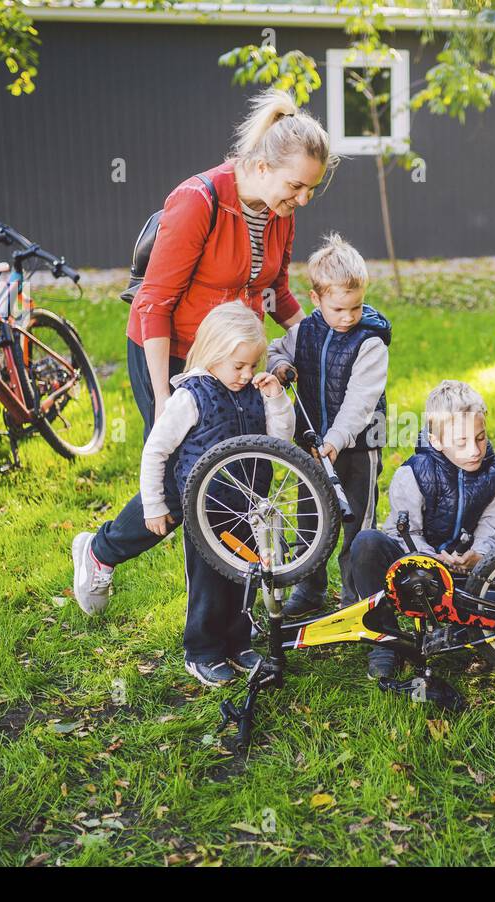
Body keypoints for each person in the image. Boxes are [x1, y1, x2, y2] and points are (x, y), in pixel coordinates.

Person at [72, 88, 334, 614]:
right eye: (297, 186)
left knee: (231, 476)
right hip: (169, 352)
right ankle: (103, 554)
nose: (303, 198)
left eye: (311, 189)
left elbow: (275, 292)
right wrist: (165, 392)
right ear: (261, 165)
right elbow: (154, 303)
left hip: (231, 358)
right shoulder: (198, 201)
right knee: (185, 478)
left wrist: (322, 340)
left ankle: (228, 618)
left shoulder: (279, 213)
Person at [139, 302, 294, 686]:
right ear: (212, 354)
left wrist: (275, 398)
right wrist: (155, 504)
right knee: (209, 581)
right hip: (206, 509)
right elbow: (156, 449)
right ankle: (204, 650)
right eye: (237, 366)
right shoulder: (191, 396)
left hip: (250, 507)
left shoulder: (254, 391)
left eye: (252, 366)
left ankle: (239, 642)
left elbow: (280, 440)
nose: (245, 375)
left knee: (247, 575)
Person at [345, 381, 495, 679]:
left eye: (481, 437)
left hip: (466, 575)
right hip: (415, 570)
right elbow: (403, 532)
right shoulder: (413, 474)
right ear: (436, 440)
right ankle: (386, 640)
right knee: (367, 543)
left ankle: (453, 632)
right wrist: (433, 561)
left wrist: (479, 556)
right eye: (461, 442)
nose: (474, 450)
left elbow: (493, 530)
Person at [267, 233, 390, 616]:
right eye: (339, 309)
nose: (349, 317)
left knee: (357, 524)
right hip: (312, 445)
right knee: (311, 518)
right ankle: (309, 589)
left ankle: (356, 599)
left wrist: (336, 439)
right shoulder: (305, 331)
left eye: (356, 307)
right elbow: (275, 351)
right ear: (316, 300)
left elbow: (360, 402)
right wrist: (280, 367)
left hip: (357, 446)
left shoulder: (370, 342)